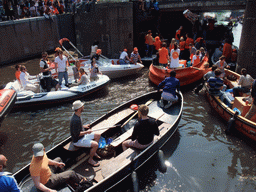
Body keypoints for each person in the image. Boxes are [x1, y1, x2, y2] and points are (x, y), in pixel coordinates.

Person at [70, 100, 101, 166]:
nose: (83, 107)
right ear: (79, 109)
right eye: (82, 106)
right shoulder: (75, 120)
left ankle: (94, 151)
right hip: (78, 140)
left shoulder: (77, 115)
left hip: (82, 136)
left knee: (98, 135)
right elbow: (77, 134)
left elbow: (78, 127)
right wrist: (87, 132)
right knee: (95, 145)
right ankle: (90, 160)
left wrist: (84, 126)